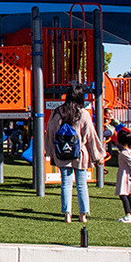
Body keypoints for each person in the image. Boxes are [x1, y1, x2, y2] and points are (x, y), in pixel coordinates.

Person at [44, 83, 105, 223]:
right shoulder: (83, 114)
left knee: (65, 184)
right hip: (80, 153)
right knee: (81, 185)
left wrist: (51, 151)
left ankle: (67, 214)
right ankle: (83, 214)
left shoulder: (57, 112)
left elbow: (51, 132)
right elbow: (90, 136)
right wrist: (97, 156)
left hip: (62, 152)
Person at [115, 129, 131, 223]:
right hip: (127, 175)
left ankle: (128, 214)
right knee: (129, 194)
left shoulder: (124, 153)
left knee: (123, 194)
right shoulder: (128, 151)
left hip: (125, 176)